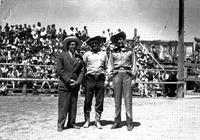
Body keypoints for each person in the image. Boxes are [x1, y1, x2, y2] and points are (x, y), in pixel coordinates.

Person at [107, 31, 137, 131]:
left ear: (123, 40)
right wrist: (110, 80)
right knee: (117, 100)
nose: (119, 41)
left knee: (128, 100)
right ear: (115, 41)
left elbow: (134, 65)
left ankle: (129, 122)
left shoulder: (130, 50)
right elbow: (110, 66)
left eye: (121, 39)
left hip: (127, 75)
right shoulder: (112, 52)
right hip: (116, 75)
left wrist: (133, 79)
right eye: (117, 39)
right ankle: (117, 121)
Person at [56, 36, 85, 132]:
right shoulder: (61, 56)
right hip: (65, 84)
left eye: (75, 45)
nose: (73, 46)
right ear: (68, 46)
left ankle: (72, 122)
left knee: (73, 105)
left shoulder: (79, 58)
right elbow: (59, 71)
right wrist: (68, 80)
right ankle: (60, 124)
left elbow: (82, 71)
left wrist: (78, 81)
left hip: (75, 85)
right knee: (63, 105)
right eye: (71, 44)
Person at [82, 36, 108, 129]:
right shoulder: (86, 54)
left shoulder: (104, 54)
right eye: (92, 43)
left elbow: (106, 67)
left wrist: (107, 80)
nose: (94, 45)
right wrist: (83, 81)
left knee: (100, 100)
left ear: (99, 44)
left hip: (100, 79)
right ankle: (87, 120)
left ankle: (97, 121)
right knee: (88, 100)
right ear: (90, 45)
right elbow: (83, 67)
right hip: (89, 78)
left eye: (96, 43)